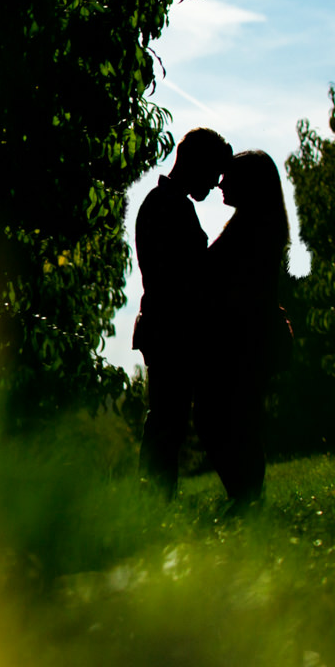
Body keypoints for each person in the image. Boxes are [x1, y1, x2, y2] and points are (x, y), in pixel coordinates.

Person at [132, 127, 231, 498]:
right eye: (212, 173)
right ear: (194, 163)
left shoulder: (165, 202)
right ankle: (155, 501)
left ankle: (156, 501)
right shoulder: (169, 206)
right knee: (167, 421)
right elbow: (185, 276)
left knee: (167, 419)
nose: (214, 182)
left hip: (167, 327)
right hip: (172, 330)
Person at [201, 149, 292, 509]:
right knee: (237, 419)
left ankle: (246, 498)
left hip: (245, 340)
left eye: (231, 177)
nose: (221, 183)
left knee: (223, 418)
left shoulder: (252, 228)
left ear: (248, 185)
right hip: (251, 337)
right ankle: (246, 498)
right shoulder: (256, 224)